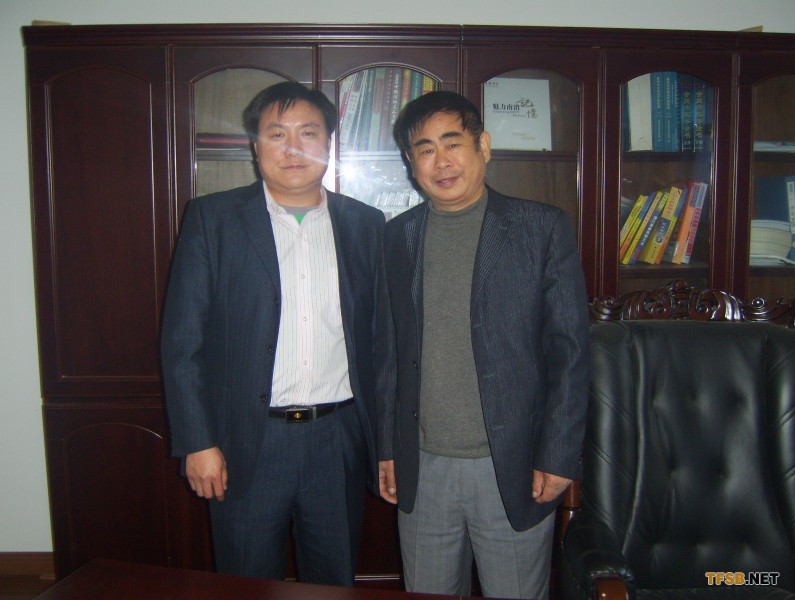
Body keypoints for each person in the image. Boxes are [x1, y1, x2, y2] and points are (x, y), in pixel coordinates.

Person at [160, 81, 389, 586]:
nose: (293, 148)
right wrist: (197, 442)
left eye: (308, 133)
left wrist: (385, 443)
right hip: (245, 440)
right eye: (277, 134)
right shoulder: (213, 220)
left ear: (327, 143)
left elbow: (382, 345)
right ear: (255, 145)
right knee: (245, 580)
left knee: (333, 581)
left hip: (337, 440)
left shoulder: (366, 225)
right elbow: (182, 345)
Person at [377, 90, 590, 599]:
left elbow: (569, 351)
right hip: (423, 465)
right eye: (425, 149)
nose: (441, 161)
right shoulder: (396, 237)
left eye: (453, 143)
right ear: (410, 162)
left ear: (483, 146)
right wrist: (387, 448)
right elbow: (387, 353)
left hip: (514, 465)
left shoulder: (541, 228)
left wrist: (559, 454)